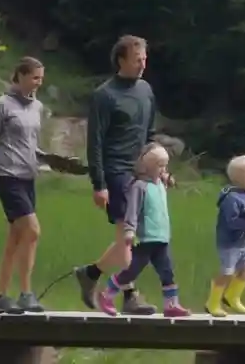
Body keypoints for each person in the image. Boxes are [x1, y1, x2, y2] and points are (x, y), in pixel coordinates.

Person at [74, 35, 161, 315]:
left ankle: (90, 273)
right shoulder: (105, 95)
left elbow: (149, 134)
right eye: (137, 59)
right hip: (115, 171)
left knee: (133, 236)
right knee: (127, 235)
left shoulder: (146, 90)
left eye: (145, 59)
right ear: (121, 60)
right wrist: (99, 184)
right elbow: (95, 142)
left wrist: (159, 169)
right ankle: (130, 294)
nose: (142, 64)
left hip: (141, 172)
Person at [0, 56, 46, 314]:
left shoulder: (37, 107)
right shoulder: (2, 105)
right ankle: (26, 293)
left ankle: (0, 296)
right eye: (35, 78)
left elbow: (32, 144)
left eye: (41, 78)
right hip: (7, 176)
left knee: (17, 237)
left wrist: (50, 159)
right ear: (21, 76)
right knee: (33, 230)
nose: (38, 83)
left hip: (28, 177)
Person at [96, 143, 191, 317]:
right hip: (146, 239)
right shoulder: (139, 187)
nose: (163, 169)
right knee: (132, 270)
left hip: (161, 238)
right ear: (148, 167)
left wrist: (168, 179)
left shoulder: (160, 184)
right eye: (159, 166)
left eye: (165, 165)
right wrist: (129, 230)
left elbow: (164, 184)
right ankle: (107, 295)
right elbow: (132, 210)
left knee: (167, 271)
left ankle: (171, 305)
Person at [205, 155, 245, 317]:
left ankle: (232, 296)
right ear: (238, 179)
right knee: (227, 272)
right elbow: (231, 221)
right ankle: (212, 303)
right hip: (230, 243)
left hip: (244, 242)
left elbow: (244, 213)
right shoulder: (231, 198)